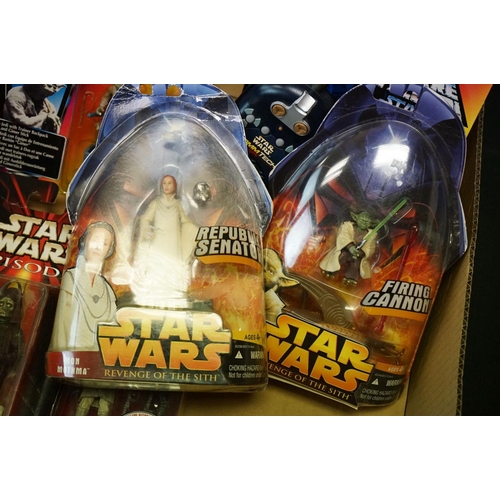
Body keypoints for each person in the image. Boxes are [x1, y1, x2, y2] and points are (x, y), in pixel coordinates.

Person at [132, 173, 198, 307]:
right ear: (161, 186)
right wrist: (146, 230)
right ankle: (154, 294)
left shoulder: (178, 204)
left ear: (175, 186)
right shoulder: (156, 203)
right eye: (164, 183)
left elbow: (186, 221)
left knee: (173, 266)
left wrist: (195, 230)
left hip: (174, 241)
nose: (167, 186)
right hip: (159, 239)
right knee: (157, 266)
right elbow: (145, 219)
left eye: (170, 183)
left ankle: (173, 294)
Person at [49, 221, 117, 351]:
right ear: (85, 240)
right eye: (95, 239)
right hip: (68, 355)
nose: (98, 247)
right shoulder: (71, 278)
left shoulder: (108, 291)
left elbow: (112, 332)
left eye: (105, 243)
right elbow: (60, 328)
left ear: (109, 249)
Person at [319, 211, 378, 286]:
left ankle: (351, 278)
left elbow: (370, 248)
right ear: (356, 218)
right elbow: (343, 236)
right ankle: (330, 270)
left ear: (371, 224)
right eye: (362, 220)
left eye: (367, 222)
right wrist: (350, 247)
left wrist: (360, 253)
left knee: (356, 263)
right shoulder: (347, 226)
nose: (364, 223)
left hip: (357, 255)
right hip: (345, 249)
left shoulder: (371, 235)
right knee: (341, 256)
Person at [0, 281, 24, 415]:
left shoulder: (16, 332)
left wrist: (3, 358)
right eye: (1, 303)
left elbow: (18, 355)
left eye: (9, 305)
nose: (3, 307)